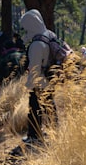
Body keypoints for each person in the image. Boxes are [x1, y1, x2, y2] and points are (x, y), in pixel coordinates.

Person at [20, 8, 63, 145]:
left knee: (34, 109)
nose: (25, 29)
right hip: (51, 78)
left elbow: (34, 68)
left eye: (26, 26)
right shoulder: (49, 34)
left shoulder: (36, 45)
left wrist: (29, 86)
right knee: (50, 107)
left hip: (39, 82)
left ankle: (34, 136)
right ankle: (55, 132)